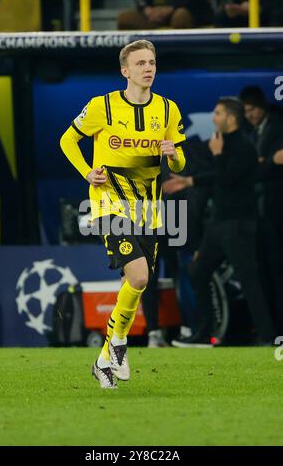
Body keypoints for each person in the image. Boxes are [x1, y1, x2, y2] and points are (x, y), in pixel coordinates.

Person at [60, 40, 186, 388]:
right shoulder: (102, 107)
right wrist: (87, 171)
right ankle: (118, 343)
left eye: (152, 62)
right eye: (141, 63)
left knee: (132, 285)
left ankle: (104, 360)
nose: (149, 68)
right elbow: (67, 140)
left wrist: (172, 154)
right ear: (125, 71)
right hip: (110, 204)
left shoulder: (168, 109)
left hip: (151, 210)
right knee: (141, 277)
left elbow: (179, 162)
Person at [164, 97, 276, 346]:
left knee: (249, 280)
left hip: (238, 224)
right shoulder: (224, 144)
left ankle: (268, 337)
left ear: (231, 118)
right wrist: (189, 181)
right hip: (219, 224)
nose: (213, 118)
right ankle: (204, 335)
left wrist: (216, 154)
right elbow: (217, 176)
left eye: (217, 113)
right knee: (198, 272)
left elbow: (226, 179)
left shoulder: (245, 147)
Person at [239, 86, 283, 333]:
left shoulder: (278, 124)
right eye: (245, 111)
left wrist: (260, 166)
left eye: (252, 109)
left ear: (262, 106)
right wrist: (266, 162)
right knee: (263, 270)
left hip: (275, 212)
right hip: (257, 214)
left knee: (277, 270)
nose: (250, 115)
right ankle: (272, 329)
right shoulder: (249, 130)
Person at [117, 0, 213, 30]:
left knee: (180, 16)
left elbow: (194, 0)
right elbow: (141, 0)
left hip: (187, 12)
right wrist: (146, 9)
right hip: (154, 17)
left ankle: (183, 55)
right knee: (125, 18)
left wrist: (170, 8)